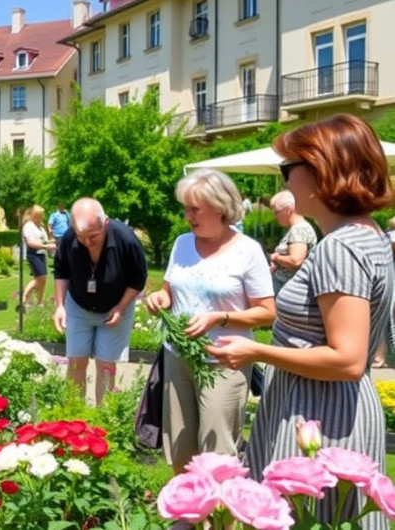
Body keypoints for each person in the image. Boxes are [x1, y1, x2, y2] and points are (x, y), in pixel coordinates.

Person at [207, 114, 394, 529]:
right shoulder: (371, 235)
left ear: (322, 171)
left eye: (288, 168)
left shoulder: (339, 249)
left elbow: (347, 359)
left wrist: (254, 349)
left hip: (320, 412)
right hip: (339, 409)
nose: (285, 181)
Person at [145, 169, 275, 474]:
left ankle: (222, 519)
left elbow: (268, 312)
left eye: (194, 209)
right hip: (178, 357)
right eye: (185, 208)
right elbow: (169, 291)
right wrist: (159, 300)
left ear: (219, 207)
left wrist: (221, 317)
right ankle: (189, 517)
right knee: (180, 450)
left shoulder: (248, 251)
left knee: (218, 455)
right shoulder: (182, 244)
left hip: (225, 360)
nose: (187, 216)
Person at [52, 198, 147, 404]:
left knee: (106, 366)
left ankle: (103, 421)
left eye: (93, 236)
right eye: (81, 236)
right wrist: (60, 306)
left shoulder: (126, 239)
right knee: (76, 362)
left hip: (115, 307)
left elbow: (138, 279)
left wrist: (121, 307)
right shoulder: (70, 239)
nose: (87, 242)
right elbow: (61, 271)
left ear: (105, 223)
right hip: (78, 305)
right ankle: (73, 416)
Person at [268, 189, 317, 294]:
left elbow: (296, 261)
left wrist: (275, 257)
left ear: (288, 210)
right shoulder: (297, 228)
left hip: (289, 289)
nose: (275, 217)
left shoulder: (299, 230)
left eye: (276, 212)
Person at [21, 205, 54, 308]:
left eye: (42, 215)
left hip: (41, 254)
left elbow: (42, 240)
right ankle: (24, 296)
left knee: (42, 279)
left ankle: (40, 302)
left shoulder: (40, 227)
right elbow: (31, 243)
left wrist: (50, 242)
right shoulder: (28, 226)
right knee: (40, 278)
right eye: (39, 215)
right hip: (34, 253)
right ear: (34, 215)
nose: (41, 217)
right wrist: (46, 246)